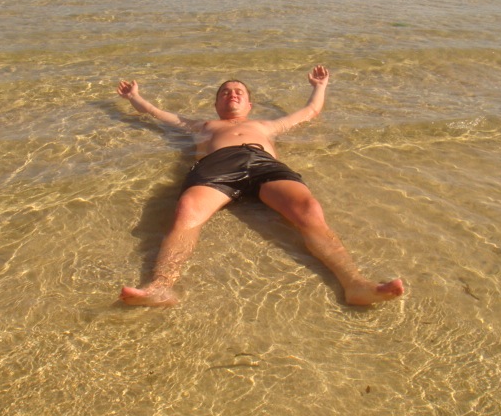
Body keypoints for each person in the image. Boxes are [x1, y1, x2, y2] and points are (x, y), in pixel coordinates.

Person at [116, 65, 404, 307]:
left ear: (249, 105)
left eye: (239, 92)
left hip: (263, 163)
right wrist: (134, 97)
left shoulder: (266, 125)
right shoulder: (203, 126)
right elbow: (156, 113)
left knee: (309, 208)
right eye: (225, 92)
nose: (232, 94)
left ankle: (355, 284)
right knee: (187, 210)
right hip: (218, 165)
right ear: (216, 105)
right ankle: (161, 286)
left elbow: (310, 111)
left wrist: (319, 86)